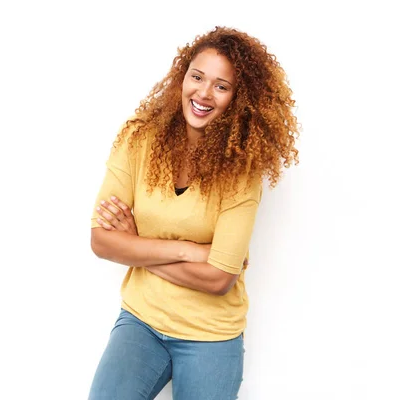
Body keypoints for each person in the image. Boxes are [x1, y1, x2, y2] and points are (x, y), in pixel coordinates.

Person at [87, 26, 299, 400]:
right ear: (181, 79)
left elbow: (219, 279)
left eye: (221, 86)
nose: (203, 93)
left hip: (210, 333)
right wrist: (188, 250)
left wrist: (135, 246)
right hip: (142, 319)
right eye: (197, 77)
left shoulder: (241, 170)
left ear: (239, 99)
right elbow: (102, 241)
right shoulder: (138, 138)